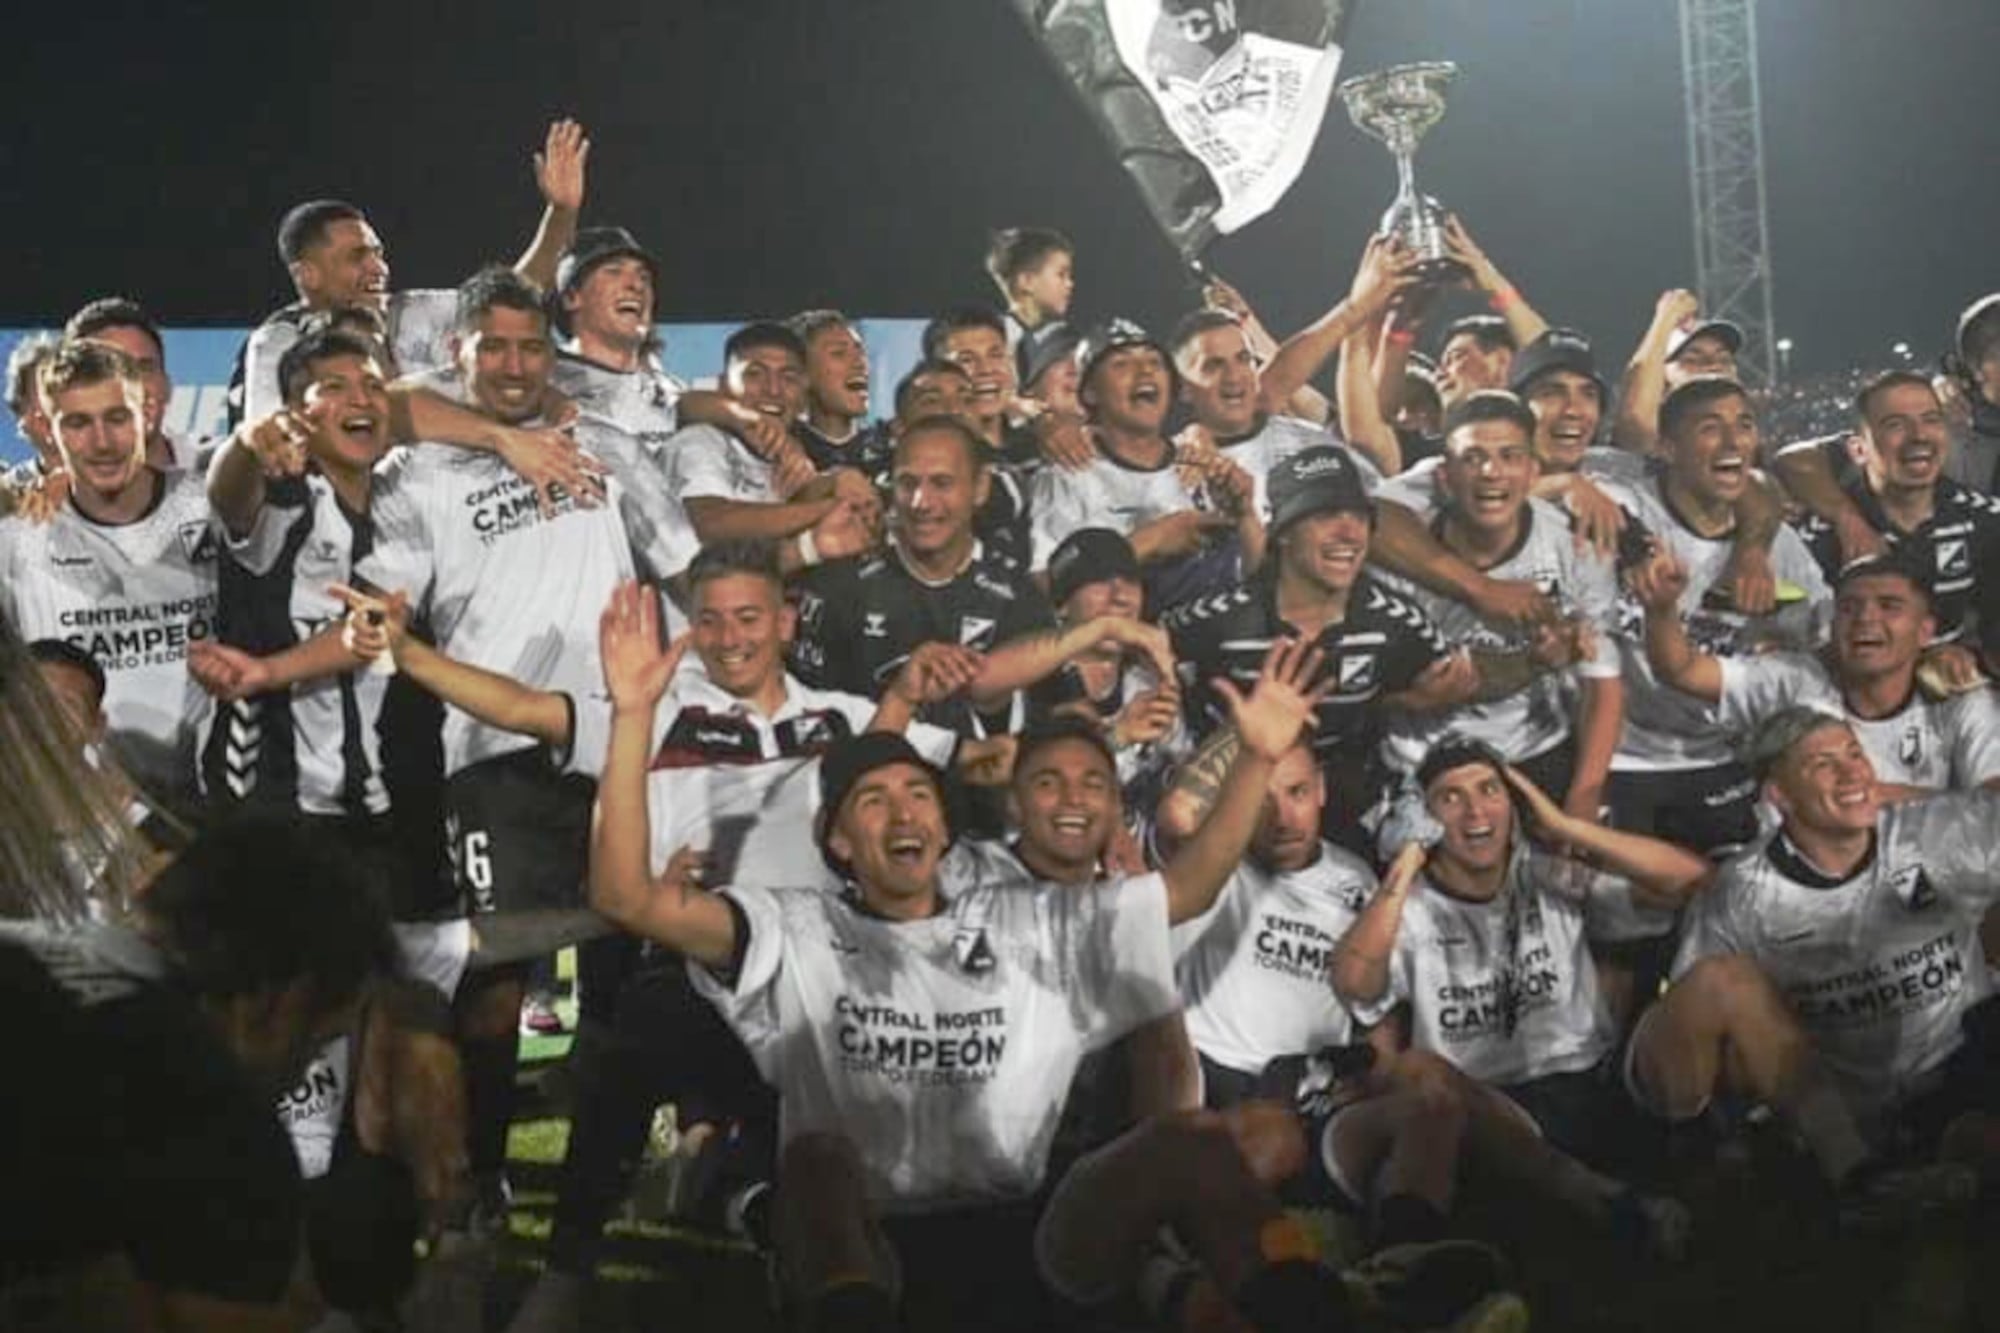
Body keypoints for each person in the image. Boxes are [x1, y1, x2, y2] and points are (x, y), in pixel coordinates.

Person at [589, 617, 1511, 1332]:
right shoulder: (791, 930)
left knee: (1190, 1142)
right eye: (873, 800)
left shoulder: (1026, 919)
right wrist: (633, 717)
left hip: (1031, 1231)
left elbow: (1186, 888)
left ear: (944, 826)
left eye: (918, 795)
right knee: (817, 1160)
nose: (903, 812)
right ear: (838, 843)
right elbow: (625, 895)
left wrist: (1260, 756)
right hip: (875, 1249)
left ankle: (1324, 1310)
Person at [1333, 741, 1705, 1255]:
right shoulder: (1409, 910)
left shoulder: (1548, 874)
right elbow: (1353, 981)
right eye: (1450, 798)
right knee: (1419, 1070)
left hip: (1587, 1086)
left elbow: (1690, 882)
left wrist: (1566, 827)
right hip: (1488, 1107)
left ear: (1515, 807)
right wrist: (1405, 863)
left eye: (1490, 790)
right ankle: (1596, 1199)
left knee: (1717, 982)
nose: (1475, 811)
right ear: (1425, 819)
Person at [1629, 706, 1997, 1225]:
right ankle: (1862, 1181)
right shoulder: (1743, 894)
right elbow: (1711, 1031)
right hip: (1840, 1104)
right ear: (1779, 796)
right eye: (1823, 764)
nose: (1852, 773)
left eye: (1854, 753)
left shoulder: (1942, 831)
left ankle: (1944, 1173)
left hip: (1962, 1062)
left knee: (1974, 1144)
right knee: (1724, 985)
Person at [1162, 445, 1474, 858]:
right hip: (1234, 805)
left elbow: (1455, 687)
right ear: (1283, 532)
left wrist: (1407, 700)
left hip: (1345, 809)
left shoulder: (1398, 623)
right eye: (1326, 515)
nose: (1349, 532)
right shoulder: (1218, 620)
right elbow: (1145, 659)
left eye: (1359, 517)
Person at [229, 120, 588, 427]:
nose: (378, 268)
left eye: (378, 254)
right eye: (357, 257)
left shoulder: (414, 310)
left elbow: (515, 295)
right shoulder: (278, 342)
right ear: (308, 275)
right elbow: (269, 441)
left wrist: (561, 212)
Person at [0, 340, 219, 816]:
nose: (102, 442)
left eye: (117, 418)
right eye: (78, 423)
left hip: (216, 803)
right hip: (87, 815)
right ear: (47, 429)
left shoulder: (208, 507)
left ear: (149, 412)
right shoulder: (18, 538)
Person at [1635, 551, 2000, 798]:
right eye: (1850, 607)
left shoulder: (1958, 697)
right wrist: (1662, 610)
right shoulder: (1796, 679)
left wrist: (1867, 797)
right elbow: (1681, 670)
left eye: (1889, 606)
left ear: (1925, 630)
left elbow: (1992, 806)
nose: (1866, 618)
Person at [1030, 318, 1264, 608]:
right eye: (1122, 364)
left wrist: (1246, 517)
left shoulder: (1204, 462)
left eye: (1155, 362)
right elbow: (1046, 586)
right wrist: (1151, 540)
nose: (1145, 371)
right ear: (1089, 391)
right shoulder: (1069, 473)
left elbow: (1257, 580)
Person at [1786, 370, 2000, 661]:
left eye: (1931, 420)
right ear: (1858, 450)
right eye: (1896, 425)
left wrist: (1967, 656)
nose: (1919, 436)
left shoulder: (1987, 522)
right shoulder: (1813, 539)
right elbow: (1789, 643)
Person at [661, 321, 879, 573]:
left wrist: (837, 482)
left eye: (788, 377)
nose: (773, 390)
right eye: (754, 374)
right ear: (723, 385)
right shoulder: (699, 441)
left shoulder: (798, 454)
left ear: (803, 394)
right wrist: (831, 508)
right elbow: (711, 523)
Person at [549, 225, 684, 449]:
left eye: (644, 277)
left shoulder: (670, 390)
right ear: (572, 297)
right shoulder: (543, 382)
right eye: (614, 271)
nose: (636, 285)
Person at [63, 296, 203, 472]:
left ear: (166, 386)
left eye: (144, 369)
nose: (134, 388)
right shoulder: (47, 488)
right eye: (110, 370)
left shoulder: (216, 470)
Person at [1610, 289, 1741, 454]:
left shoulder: (1750, 440)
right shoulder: (1661, 441)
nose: (1712, 366)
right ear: (1663, 376)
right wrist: (1667, 317)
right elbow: (1635, 424)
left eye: (1723, 359)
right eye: (1693, 360)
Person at [790, 310, 894, 475]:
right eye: (839, 353)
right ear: (802, 373)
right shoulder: (782, 451)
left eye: (860, 352)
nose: (860, 363)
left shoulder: (890, 449)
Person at [985, 225, 1075, 347]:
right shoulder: (995, 341)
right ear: (1027, 281)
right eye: (1061, 274)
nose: (1070, 284)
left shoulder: (1066, 339)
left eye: (1069, 276)